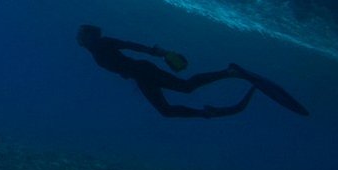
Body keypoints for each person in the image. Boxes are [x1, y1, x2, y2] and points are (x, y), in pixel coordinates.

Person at [77, 24, 254, 119]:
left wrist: (157, 52)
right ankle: (206, 113)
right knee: (167, 110)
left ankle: (229, 72)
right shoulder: (95, 52)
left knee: (186, 87)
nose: (79, 37)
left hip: (144, 71)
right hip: (140, 76)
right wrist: (123, 72)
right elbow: (118, 63)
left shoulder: (101, 43)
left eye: (82, 34)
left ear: (91, 36)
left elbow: (129, 45)